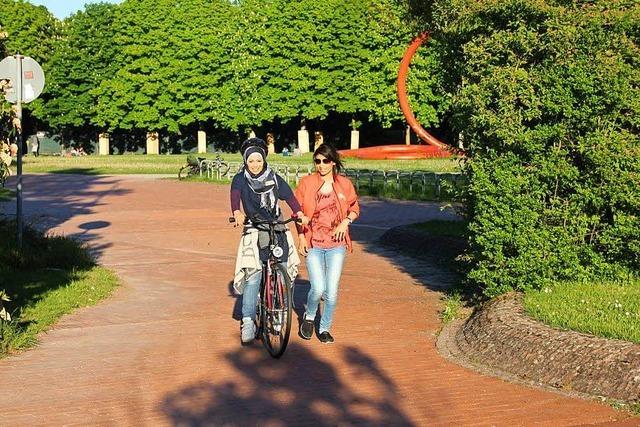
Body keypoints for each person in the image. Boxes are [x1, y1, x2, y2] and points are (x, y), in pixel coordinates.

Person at [231, 137, 309, 344]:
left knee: (281, 271)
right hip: (254, 228)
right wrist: (237, 212)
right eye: (251, 161)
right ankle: (248, 320)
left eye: (258, 160)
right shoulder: (240, 179)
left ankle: (278, 312)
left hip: (276, 226)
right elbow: (235, 196)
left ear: (264, 160)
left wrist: (299, 212)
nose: (255, 165)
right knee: (254, 275)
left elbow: (290, 198)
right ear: (246, 162)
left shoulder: (274, 178)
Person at [295, 144, 360, 343]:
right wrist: (301, 235)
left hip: (336, 245)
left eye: (325, 161)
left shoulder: (344, 184)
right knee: (318, 288)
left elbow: (354, 207)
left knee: (331, 291)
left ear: (333, 162)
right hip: (314, 242)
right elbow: (296, 209)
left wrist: (345, 222)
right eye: (317, 161)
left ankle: (324, 329)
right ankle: (309, 316)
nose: (321, 165)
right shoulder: (306, 183)